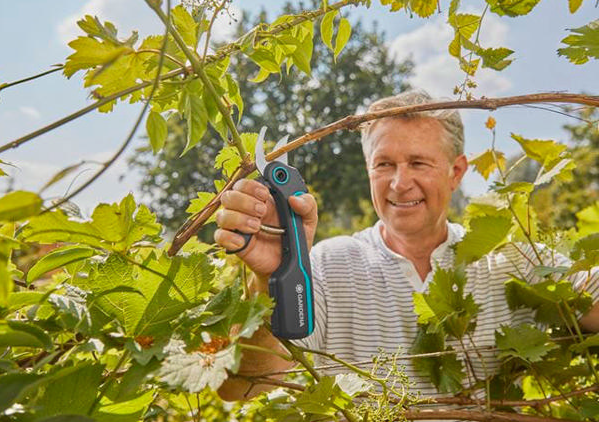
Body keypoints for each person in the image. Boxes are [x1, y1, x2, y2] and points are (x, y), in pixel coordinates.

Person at [213, 90, 599, 401]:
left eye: (418, 163)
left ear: (457, 172)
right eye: (384, 165)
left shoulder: (513, 259)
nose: (399, 183)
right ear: (368, 170)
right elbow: (241, 386)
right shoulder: (326, 266)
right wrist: (271, 281)